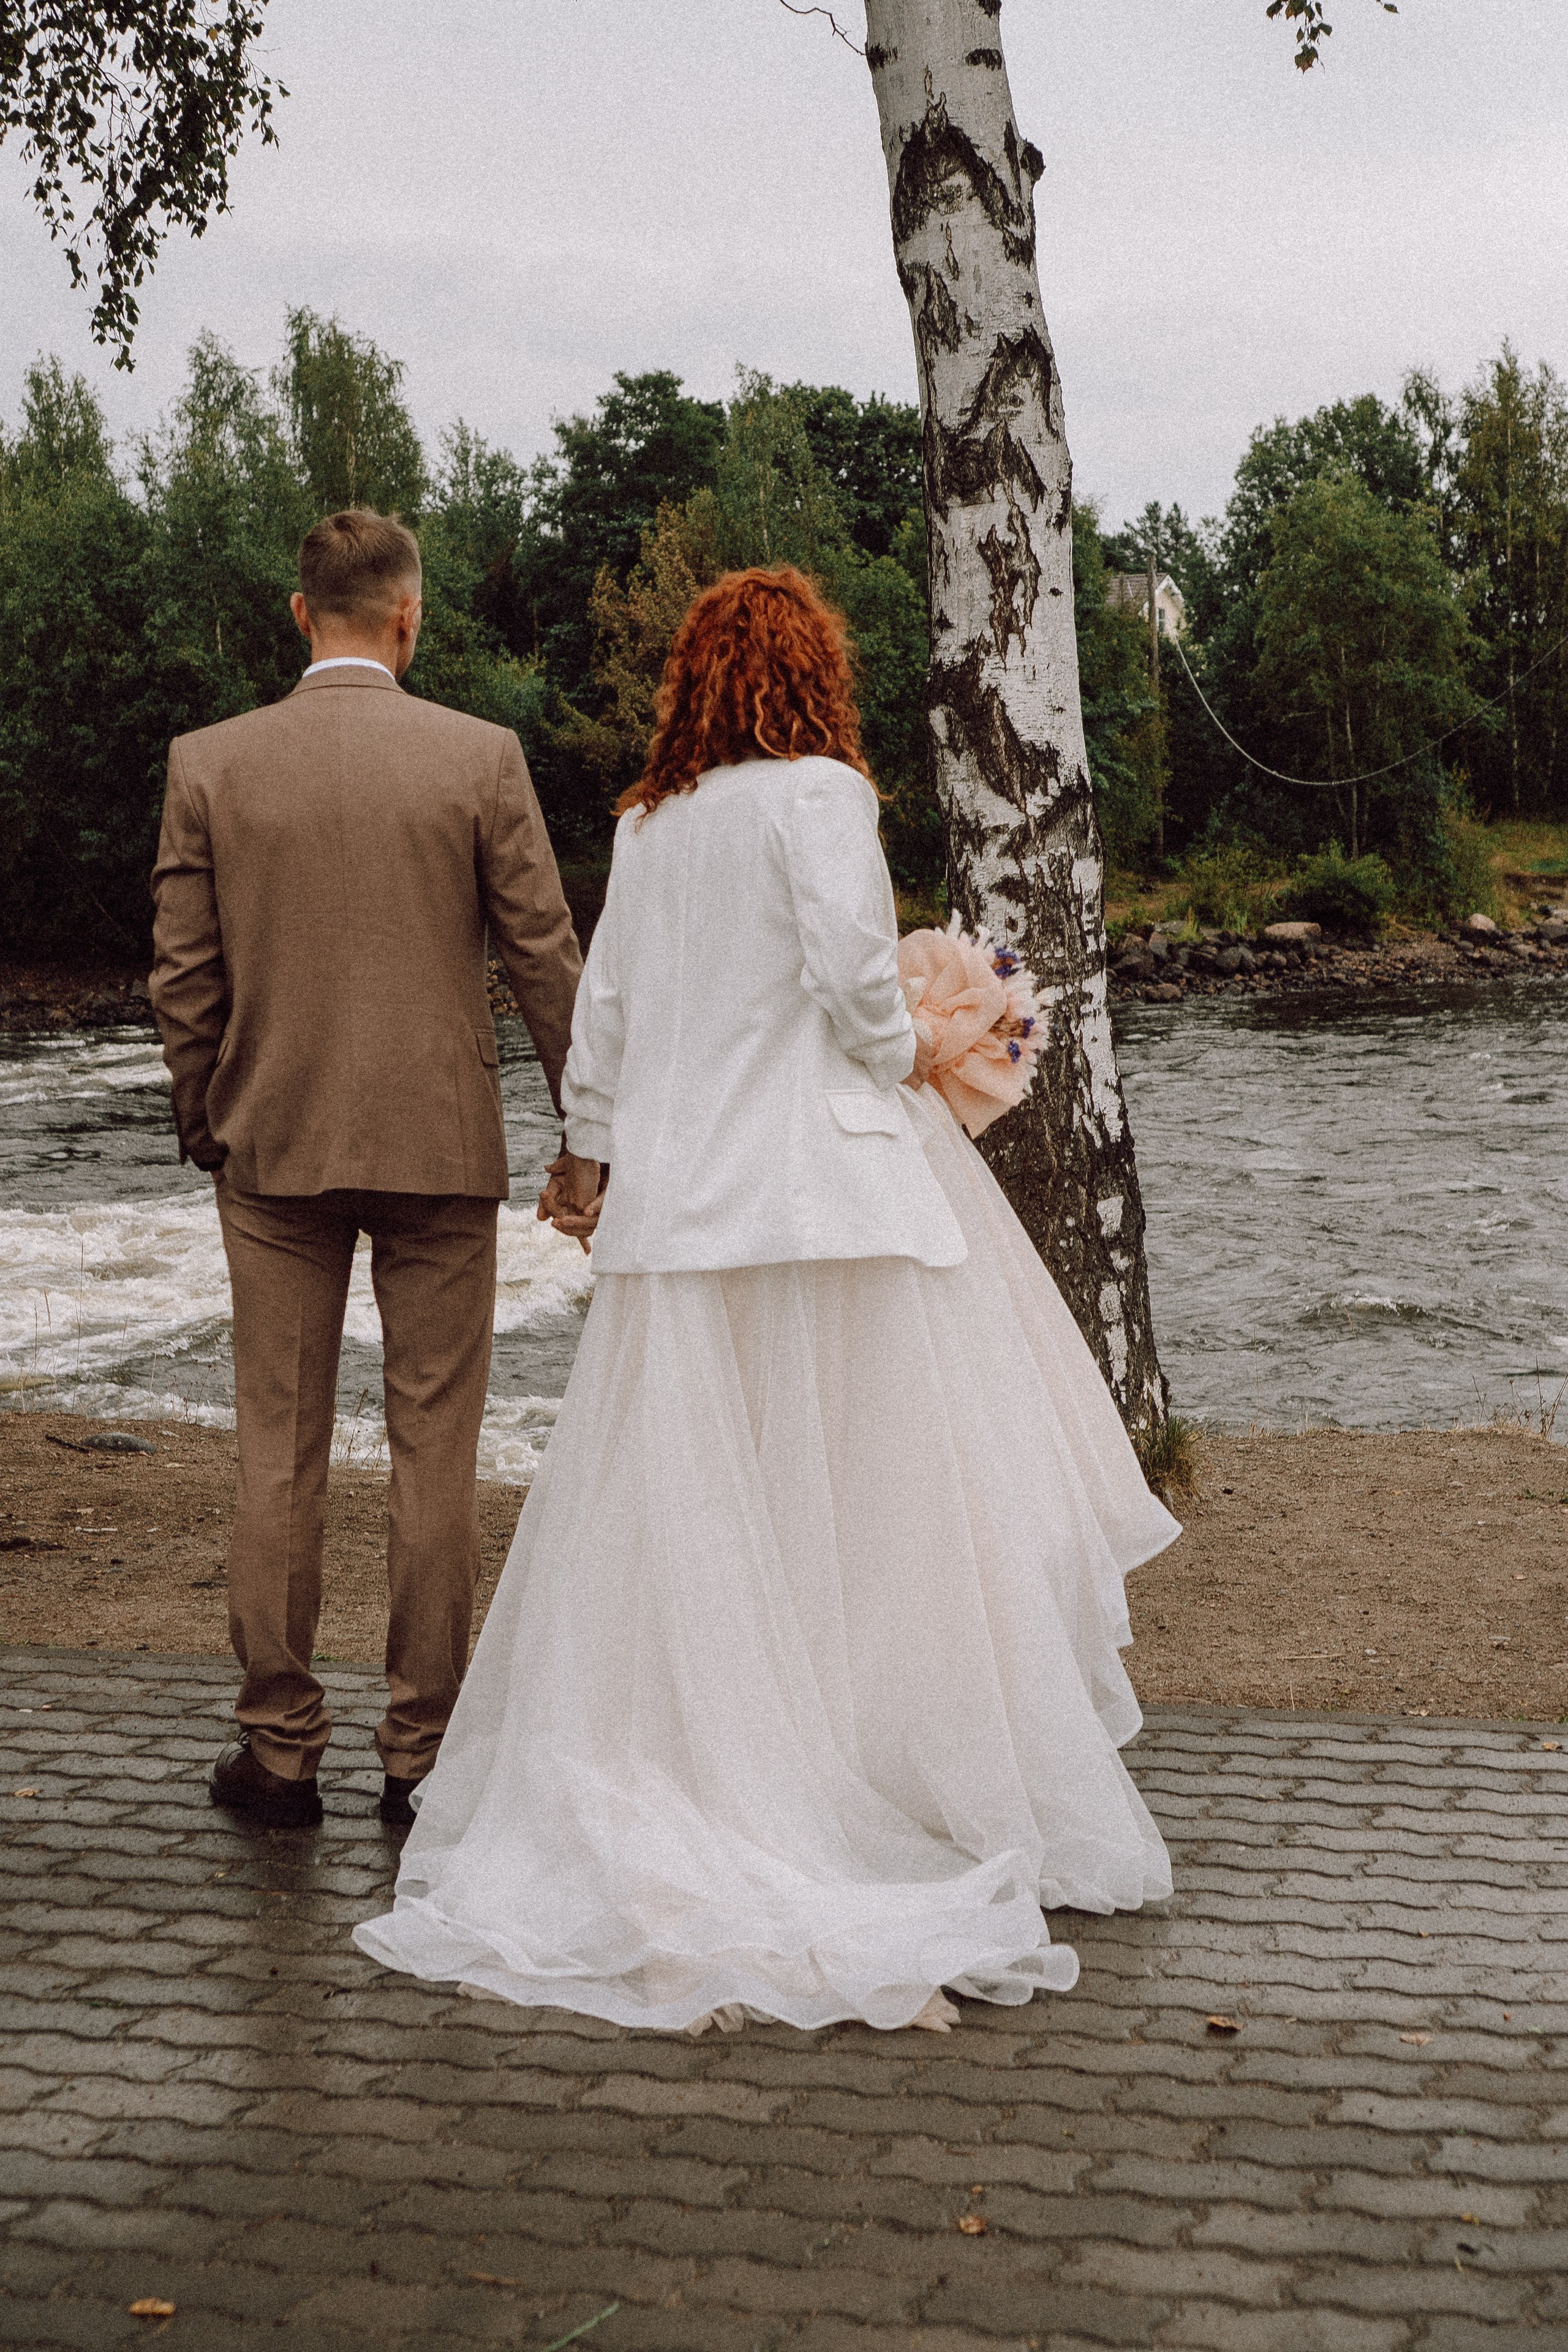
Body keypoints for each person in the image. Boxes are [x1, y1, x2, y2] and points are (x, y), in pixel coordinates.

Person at [354, 567, 1177, 2033]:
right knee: (864, 1502)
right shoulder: (818, 795)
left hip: (682, 1214)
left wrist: (591, 1157)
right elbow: (855, 989)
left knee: (696, 1502)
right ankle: (860, 1770)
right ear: (809, 675)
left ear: (693, 681)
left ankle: (710, 1756)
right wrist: (917, 1041)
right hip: (823, 1202)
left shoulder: (647, 824)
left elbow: (600, 1016)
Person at [149, 508, 582, 1833]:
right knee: (430, 1452)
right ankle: (422, 1755)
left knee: (274, 1450)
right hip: (439, 1149)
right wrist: (589, 1133)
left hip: (272, 1148)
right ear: (409, 617)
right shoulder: (479, 758)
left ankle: (278, 1758)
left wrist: (203, 1110)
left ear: (298, 614)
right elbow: (544, 958)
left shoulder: (209, 763)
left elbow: (182, 976)